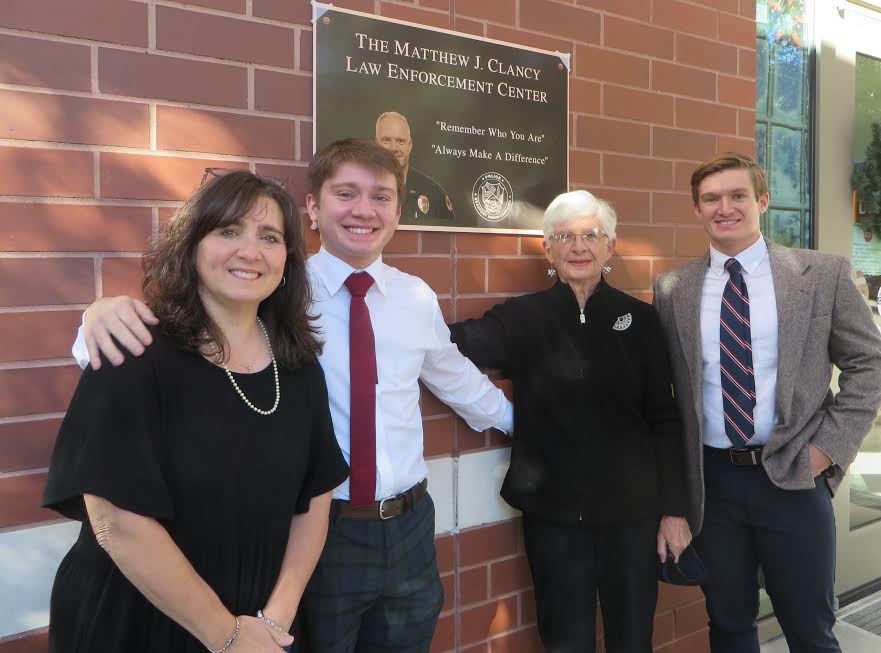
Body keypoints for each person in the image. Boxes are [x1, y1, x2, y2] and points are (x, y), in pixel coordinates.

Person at [72, 139, 513, 653]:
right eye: (346, 193)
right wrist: (96, 318)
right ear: (313, 208)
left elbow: (454, 376)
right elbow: (181, 336)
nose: (364, 211)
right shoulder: (275, 287)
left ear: (398, 209)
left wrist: (525, 424)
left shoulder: (415, 297)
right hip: (322, 531)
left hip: (411, 524)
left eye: (381, 197)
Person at [45, 170, 350, 653]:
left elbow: (316, 495)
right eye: (228, 231)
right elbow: (117, 518)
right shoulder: (134, 350)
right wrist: (225, 635)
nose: (249, 251)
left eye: (269, 237)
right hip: (141, 618)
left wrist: (277, 617)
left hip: (262, 621)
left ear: (288, 262)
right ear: (191, 244)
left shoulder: (298, 364)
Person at [653, 153, 881, 653]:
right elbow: (668, 397)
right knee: (730, 626)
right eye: (711, 199)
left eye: (737, 196)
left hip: (794, 475)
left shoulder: (821, 275)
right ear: (697, 209)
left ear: (762, 201)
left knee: (811, 630)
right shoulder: (673, 289)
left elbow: (870, 365)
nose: (724, 208)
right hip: (712, 486)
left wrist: (828, 449)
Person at [448, 190, 691, 653]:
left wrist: (674, 511)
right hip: (555, 519)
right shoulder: (522, 318)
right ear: (549, 249)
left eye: (591, 236)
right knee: (564, 641)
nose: (579, 247)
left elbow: (665, 417)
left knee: (633, 638)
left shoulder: (640, 320)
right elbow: (449, 344)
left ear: (610, 247)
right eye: (565, 237)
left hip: (632, 518)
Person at [375, 111, 455, 224]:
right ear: (376, 143)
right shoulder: (360, 188)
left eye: (400, 141)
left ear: (410, 145)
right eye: (386, 140)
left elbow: (448, 239)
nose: (394, 148)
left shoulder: (434, 194)